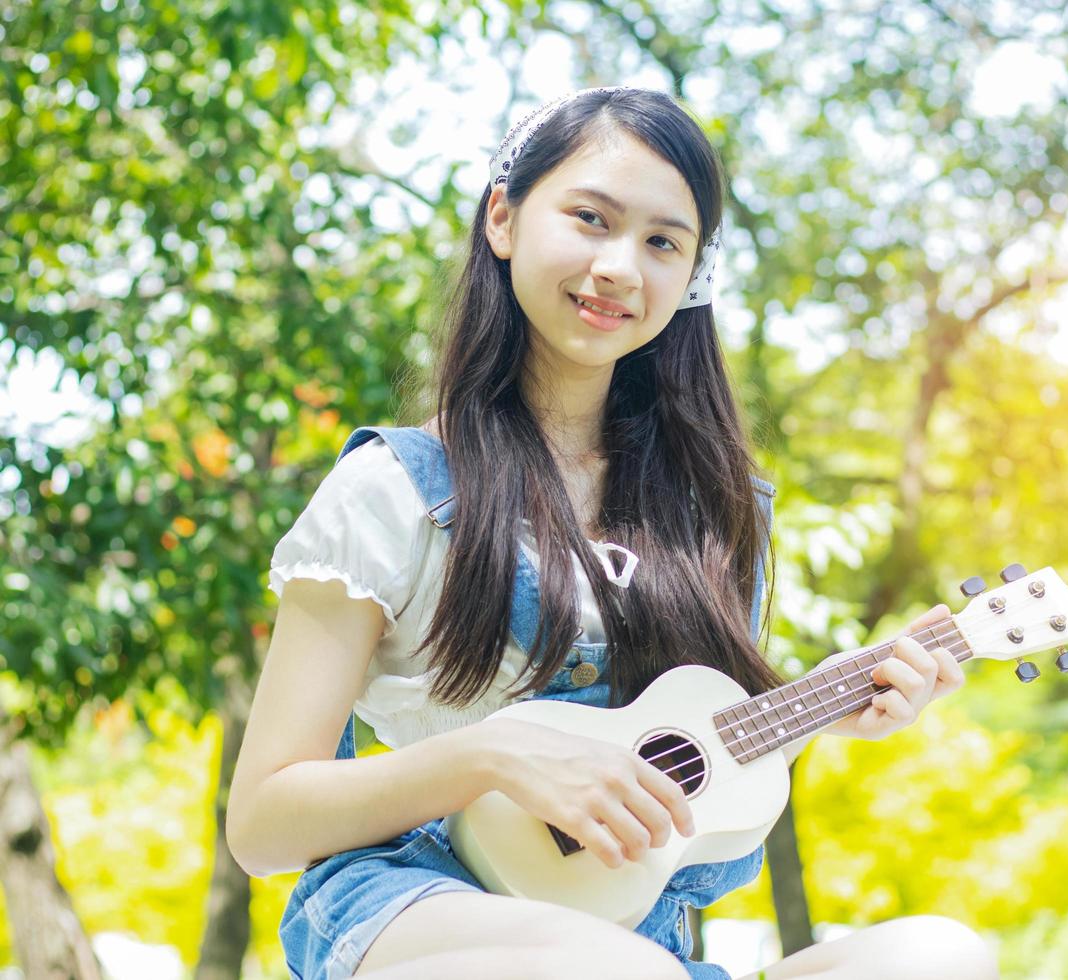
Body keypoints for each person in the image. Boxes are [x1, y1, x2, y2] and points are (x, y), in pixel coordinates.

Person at [226, 85, 998, 980]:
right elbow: (263, 824)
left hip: (641, 943)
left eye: (663, 242)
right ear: (504, 219)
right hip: (415, 908)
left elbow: (683, 765)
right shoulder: (393, 489)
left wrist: (819, 710)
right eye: (591, 218)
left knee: (937, 956)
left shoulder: (717, 511)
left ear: (693, 275)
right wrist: (491, 754)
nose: (621, 267)